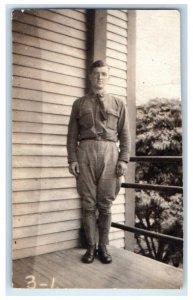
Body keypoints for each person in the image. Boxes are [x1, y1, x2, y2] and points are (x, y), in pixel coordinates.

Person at [67, 60, 131, 264]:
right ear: (90, 76)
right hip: (84, 152)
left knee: (105, 205)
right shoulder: (79, 103)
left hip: (110, 153)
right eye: (96, 74)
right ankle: (91, 247)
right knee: (88, 204)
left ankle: (103, 247)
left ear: (108, 77)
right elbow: (71, 136)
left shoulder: (118, 103)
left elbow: (126, 134)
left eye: (103, 74)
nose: (99, 78)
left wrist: (123, 159)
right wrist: (72, 159)